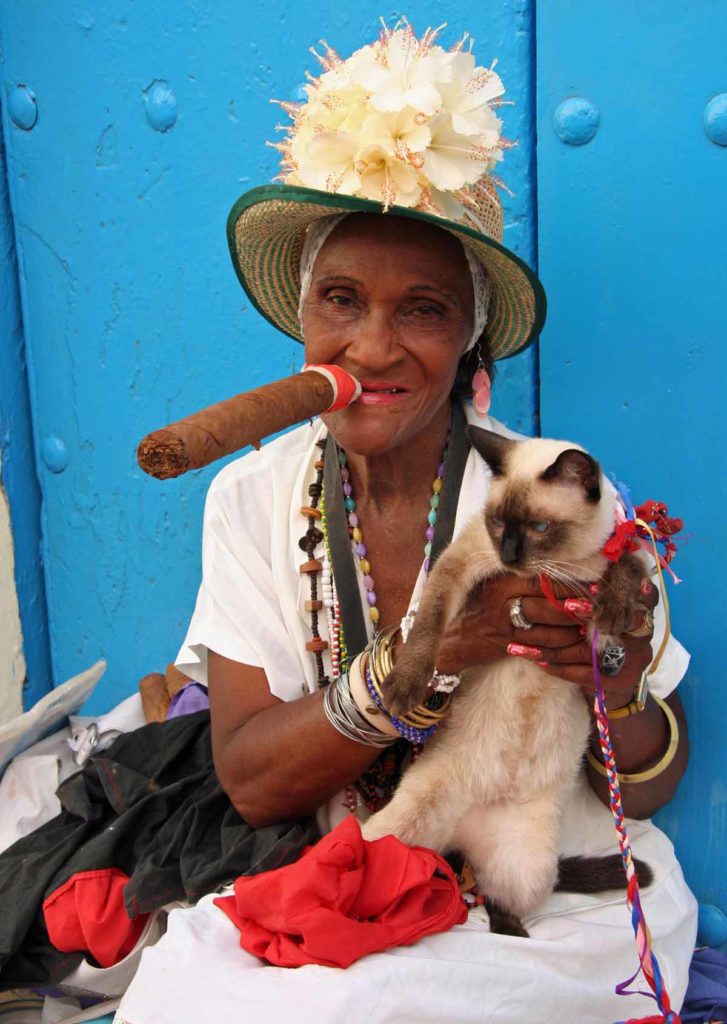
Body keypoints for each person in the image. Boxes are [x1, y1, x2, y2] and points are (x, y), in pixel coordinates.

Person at [115, 22, 696, 1023]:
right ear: (305, 322)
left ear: (467, 338)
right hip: (331, 867)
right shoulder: (250, 499)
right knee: (190, 996)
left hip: (542, 884)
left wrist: (611, 671)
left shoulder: (545, 492)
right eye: (340, 300)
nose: (372, 347)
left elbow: (647, 781)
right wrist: (433, 654)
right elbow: (253, 783)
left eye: (420, 310)